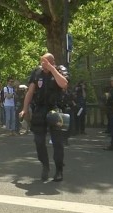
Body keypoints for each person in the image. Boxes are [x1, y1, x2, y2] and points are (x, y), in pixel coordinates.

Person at [19, 53, 69, 182]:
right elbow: (30, 91)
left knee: (57, 142)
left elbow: (64, 84)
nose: (43, 64)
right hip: (40, 109)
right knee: (39, 141)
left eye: (46, 62)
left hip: (55, 109)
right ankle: (45, 165)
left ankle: (59, 170)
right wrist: (24, 109)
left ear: (52, 62)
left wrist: (52, 69)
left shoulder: (60, 70)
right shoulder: (36, 73)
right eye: (42, 62)